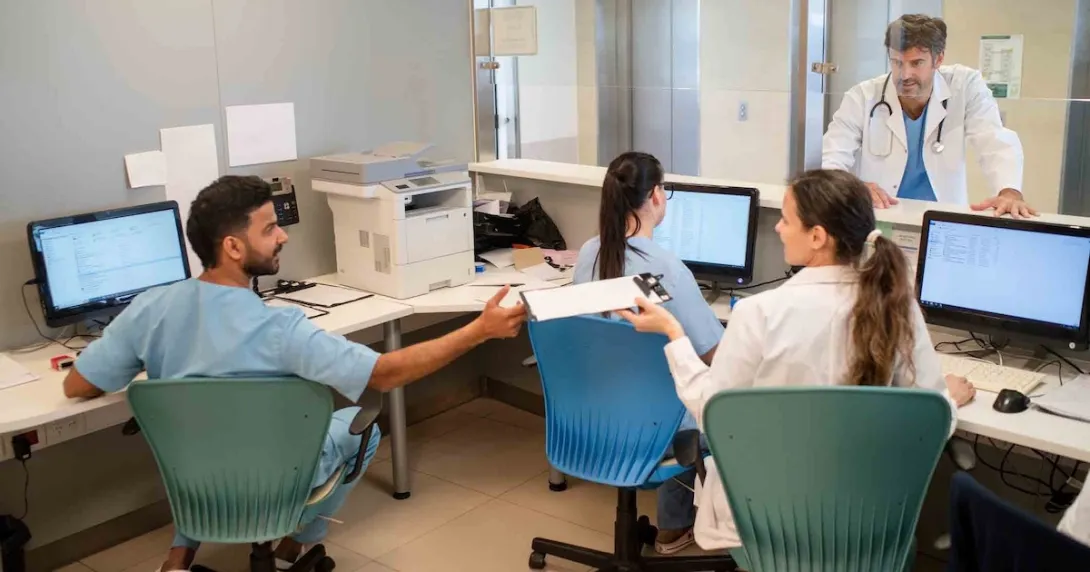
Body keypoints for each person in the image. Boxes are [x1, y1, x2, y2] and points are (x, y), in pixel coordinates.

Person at [62, 175, 527, 572]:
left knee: (209, 440)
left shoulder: (150, 308)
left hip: (194, 482)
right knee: (359, 424)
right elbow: (384, 374)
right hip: (275, 481)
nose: (283, 236)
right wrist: (478, 331)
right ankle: (294, 541)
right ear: (233, 246)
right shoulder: (280, 329)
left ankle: (180, 553)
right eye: (270, 229)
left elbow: (78, 384)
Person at [618, 169, 977, 550]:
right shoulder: (900, 309)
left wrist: (675, 336)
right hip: (865, 524)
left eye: (787, 220)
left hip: (765, 517)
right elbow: (928, 418)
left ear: (818, 237)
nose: (777, 229)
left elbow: (713, 412)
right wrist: (949, 401)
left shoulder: (760, 312)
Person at [572, 151, 724, 555]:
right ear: (657, 195)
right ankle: (674, 529)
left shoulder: (589, 253)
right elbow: (713, 353)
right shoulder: (667, 270)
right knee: (705, 398)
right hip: (652, 427)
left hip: (591, 413)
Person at [822, 14, 1036, 218]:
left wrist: (1009, 192)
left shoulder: (964, 86)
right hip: (880, 216)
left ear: (939, 58)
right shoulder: (863, 96)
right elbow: (833, 155)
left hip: (942, 218)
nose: (905, 75)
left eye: (916, 63)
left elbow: (994, 140)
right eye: (897, 62)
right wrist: (852, 188)